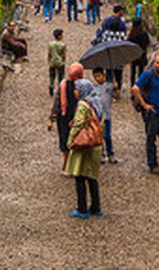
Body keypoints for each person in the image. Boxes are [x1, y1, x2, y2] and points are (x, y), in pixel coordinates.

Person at [66, 78, 103, 218]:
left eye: (76, 89)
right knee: (92, 177)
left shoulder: (82, 105)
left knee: (80, 176)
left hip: (84, 145)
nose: (75, 92)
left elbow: (78, 125)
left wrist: (70, 142)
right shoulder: (96, 101)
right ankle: (96, 206)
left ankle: (82, 209)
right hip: (95, 144)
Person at [48, 63, 83, 159]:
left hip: (63, 117)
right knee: (75, 140)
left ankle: (66, 161)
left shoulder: (63, 84)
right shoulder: (82, 86)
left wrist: (51, 118)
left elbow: (57, 102)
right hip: (77, 117)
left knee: (64, 140)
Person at [90, 67, 118, 163]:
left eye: (99, 76)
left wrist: (116, 88)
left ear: (104, 76)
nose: (97, 79)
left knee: (107, 136)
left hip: (107, 115)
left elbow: (116, 96)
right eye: (95, 77)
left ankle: (111, 154)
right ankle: (101, 154)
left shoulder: (109, 86)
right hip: (98, 116)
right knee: (99, 136)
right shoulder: (93, 88)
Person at [127, 18, 150, 86]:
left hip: (133, 56)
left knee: (133, 73)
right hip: (142, 55)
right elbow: (148, 44)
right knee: (141, 72)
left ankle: (132, 87)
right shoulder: (144, 34)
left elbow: (128, 46)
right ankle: (139, 87)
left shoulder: (131, 34)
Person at [48, 29, 66, 97]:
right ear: (59, 36)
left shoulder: (51, 44)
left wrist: (49, 61)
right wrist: (63, 61)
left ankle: (51, 85)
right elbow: (64, 55)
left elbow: (49, 54)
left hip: (52, 62)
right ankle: (60, 89)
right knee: (61, 76)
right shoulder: (62, 45)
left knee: (52, 75)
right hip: (60, 62)